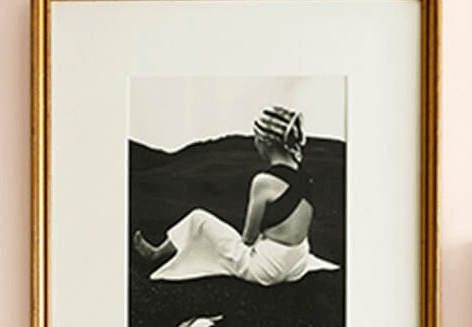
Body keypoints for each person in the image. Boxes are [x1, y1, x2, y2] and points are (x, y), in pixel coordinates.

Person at [132, 105, 335, 284]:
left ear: (266, 142)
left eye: (257, 138)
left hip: (269, 270)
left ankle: (156, 254)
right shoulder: (305, 178)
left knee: (198, 219)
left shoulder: (263, 182)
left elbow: (248, 238)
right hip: (297, 265)